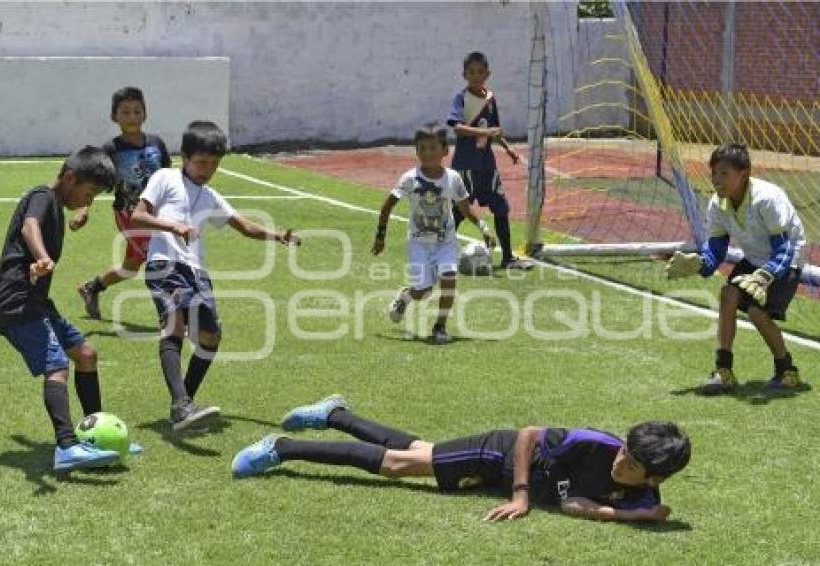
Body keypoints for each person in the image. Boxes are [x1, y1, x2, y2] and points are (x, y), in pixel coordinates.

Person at [232, 395, 691, 523]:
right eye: (625, 452)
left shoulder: (643, 493)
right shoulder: (594, 443)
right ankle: (282, 449)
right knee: (397, 466)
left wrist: (629, 515)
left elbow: (577, 506)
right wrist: (521, 494)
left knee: (416, 451)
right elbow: (530, 434)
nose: (620, 463)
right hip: (502, 452)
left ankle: (333, 413)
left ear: (653, 475)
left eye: (631, 465)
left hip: (503, 473)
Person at [131, 120, 300, 431]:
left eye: (214, 163)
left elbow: (244, 226)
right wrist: (174, 227)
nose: (207, 169)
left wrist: (278, 235)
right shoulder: (165, 177)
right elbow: (138, 214)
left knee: (211, 338)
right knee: (174, 328)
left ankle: (184, 405)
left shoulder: (210, 195)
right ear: (184, 156)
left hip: (196, 273)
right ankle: (182, 405)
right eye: (201, 162)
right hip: (164, 264)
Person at [0, 146, 125, 472]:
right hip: (18, 303)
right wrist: (40, 256)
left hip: (37, 302)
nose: (89, 200)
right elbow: (29, 227)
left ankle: (97, 438)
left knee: (86, 354)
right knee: (57, 364)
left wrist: (80, 212)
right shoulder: (41, 196)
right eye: (89, 193)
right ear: (69, 177)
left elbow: (55, 215)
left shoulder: (59, 205)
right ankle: (67, 446)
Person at [666, 142, 806, 393]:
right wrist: (698, 264)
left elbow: (785, 248)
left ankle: (787, 372)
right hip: (755, 258)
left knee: (757, 312)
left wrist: (766, 275)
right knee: (728, 293)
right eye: (714, 173)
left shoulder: (767, 199)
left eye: (724, 174)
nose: (717, 180)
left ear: (744, 174)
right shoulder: (717, 204)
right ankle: (724, 371)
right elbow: (716, 252)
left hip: (786, 261)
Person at [372, 122, 495, 345]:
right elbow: (387, 206)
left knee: (449, 280)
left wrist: (484, 228)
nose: (427, 153)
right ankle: (405, 297)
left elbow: (465, 208)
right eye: (422, 149)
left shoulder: (453, 178)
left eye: (432, 148)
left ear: (445, 150)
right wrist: (380, 236)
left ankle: (439, 327)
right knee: (423, 291)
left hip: (445, 242)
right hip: (419, 244)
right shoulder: (410, 178)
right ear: (416, 151)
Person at [75, 86, 172, 319]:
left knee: (132, 265)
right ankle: (172, 317)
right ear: (114, 116)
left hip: (156, 214)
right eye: (125, 112)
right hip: (129, 214)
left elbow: (169, 176)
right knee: (157, 261)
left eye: (137, 111)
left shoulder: (157, 143)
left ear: (145, 114)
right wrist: (83, 209)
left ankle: (92, 287)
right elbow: (94, 180)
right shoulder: (111, 149)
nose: (132, 117)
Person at [447, 51, 530, 270]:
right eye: (471, 72)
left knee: (501, 208)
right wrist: (485, 132)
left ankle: (508, 257)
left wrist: (508, 148)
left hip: (487, 166)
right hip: (465, 164)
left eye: (480, 72)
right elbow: (457, 127)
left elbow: (495, 130)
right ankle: (440, 256)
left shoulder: (490, 99)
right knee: (459, 210)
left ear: (488, 73)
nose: (476, 76)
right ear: (464, 74)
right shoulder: (461, 98)